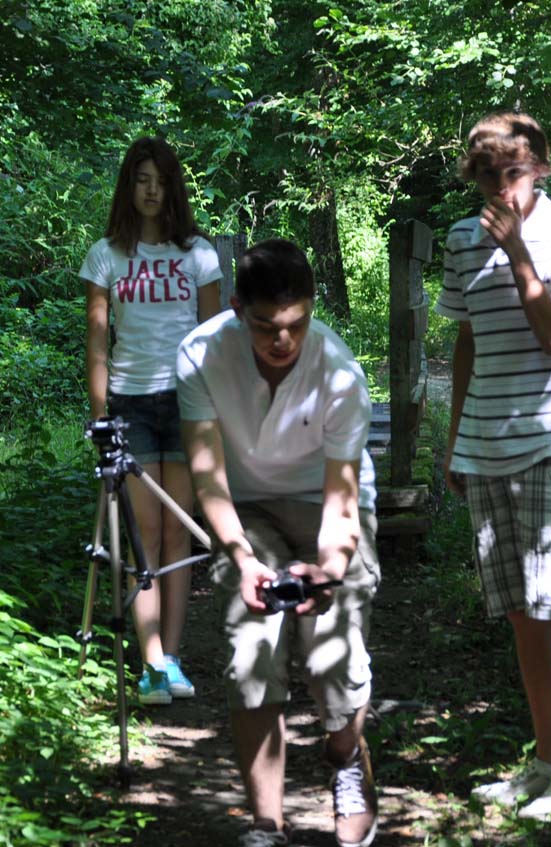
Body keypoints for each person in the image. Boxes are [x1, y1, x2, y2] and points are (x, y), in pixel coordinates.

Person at [176, 239, 380, 847]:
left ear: (312, 308)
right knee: (252, 651)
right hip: (246, 509)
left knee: (333, 653)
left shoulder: (340, 372)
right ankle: (266, 822)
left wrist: (329, 568)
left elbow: (342, 498)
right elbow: (207, 476)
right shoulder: (199, 355)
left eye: (297, 323)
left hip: (326, 506)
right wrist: (241, 559)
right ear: (237, 308)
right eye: (266, 326)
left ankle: (345, 757)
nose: (283, 340)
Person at [436, 112, 551, 822]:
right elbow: (467, 342)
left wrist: (517, 255)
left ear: (540, 167)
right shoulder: (460, 240)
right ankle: (546, 762)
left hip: (549, 440)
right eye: (488, 177)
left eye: (515, 172)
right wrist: (455, 438)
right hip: (485, 441)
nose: (502, 189)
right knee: (520, 612)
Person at [81, 136, 222, 705]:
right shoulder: (105, 255)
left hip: (187, 403)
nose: (151, 190)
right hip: (131, 404)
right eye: (141, 179)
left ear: (173, 189)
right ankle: (152, 665)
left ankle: (174, 658)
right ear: (128, 186)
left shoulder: (200, 255)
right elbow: (96, 342)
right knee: (143, 536)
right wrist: (100, 417)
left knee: (178, 533)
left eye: (160, 181)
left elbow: (214, 340)